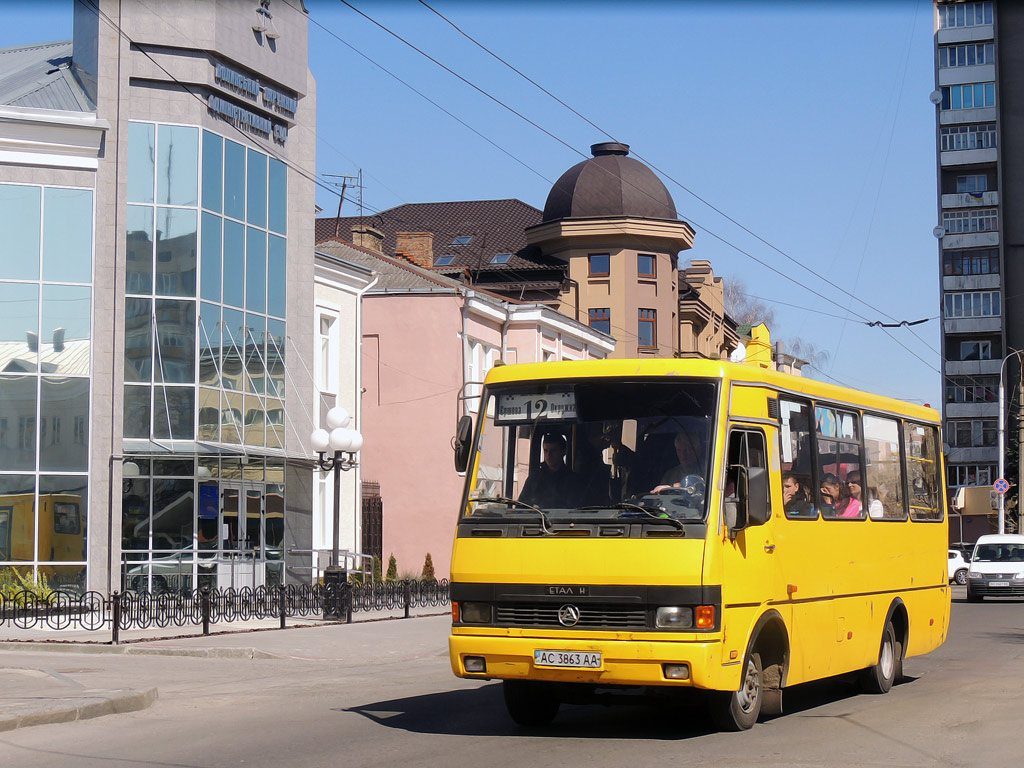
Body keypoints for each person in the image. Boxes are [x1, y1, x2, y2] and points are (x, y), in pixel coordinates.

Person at [519, 432, 583, 508]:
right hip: (537, 519)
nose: (549, 455)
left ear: (563, 451)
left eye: (553, 451)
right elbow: (521, 506)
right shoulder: (534, 479)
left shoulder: (573, 480)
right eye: (546, 450)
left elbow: (577, 509)